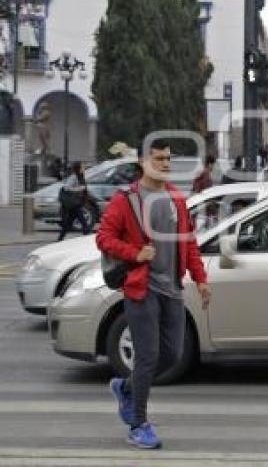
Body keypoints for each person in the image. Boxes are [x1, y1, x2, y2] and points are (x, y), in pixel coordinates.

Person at [96, 139, 211, 450]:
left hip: (172, 287)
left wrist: (200, 279)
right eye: (158, 158)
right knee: (147, 356)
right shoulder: (126, 200)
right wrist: (135, 253)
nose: (165, 164)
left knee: (172, 354)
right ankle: (138, 424)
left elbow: (188, 243)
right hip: (141, 288)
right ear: (144, 162)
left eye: (168, 159)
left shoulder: (176, 197)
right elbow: (103, 238)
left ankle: (126, 387)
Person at [58, 161, 90, 241]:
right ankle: (86, 239)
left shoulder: (81, 177)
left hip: (76, 204)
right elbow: (66, 188)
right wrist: (78, 189)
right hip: (74, 204)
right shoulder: (74, 177)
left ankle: (60, 238)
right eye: (82, 167)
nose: (84, 168)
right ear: (78, 168)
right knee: (84, 223)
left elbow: (84, 188)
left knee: (68, 223)